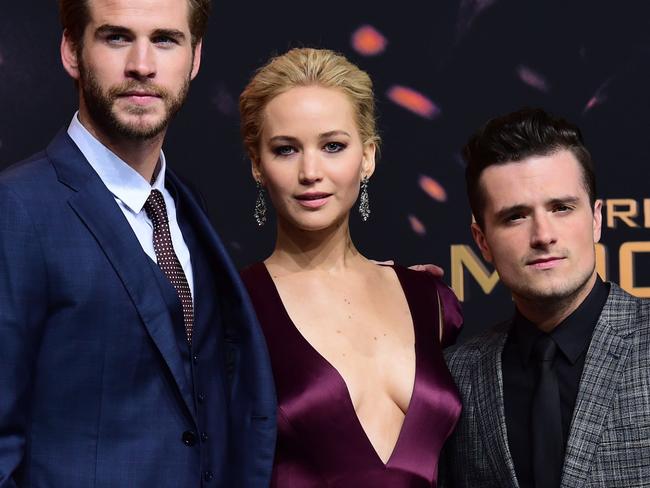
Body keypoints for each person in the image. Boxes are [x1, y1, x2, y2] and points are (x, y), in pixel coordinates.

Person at [0, 0, 275, 486]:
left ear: (194, 59)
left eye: (165, 39)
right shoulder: (16, 210)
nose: (142, 66)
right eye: (116, 37)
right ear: (70, 51)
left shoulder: (187, 207)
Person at [238, 47, 462, 487]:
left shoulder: (431, 301)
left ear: (368, 157)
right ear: (257, 166)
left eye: (333, 146)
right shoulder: (231, 308)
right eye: (285, 150)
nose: (310, 171)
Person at [439, 108, 650, 488]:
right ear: (482, 241)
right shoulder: (456, 377)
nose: (543, 235)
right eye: (516, 216)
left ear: (597, 219)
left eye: (561, 208)